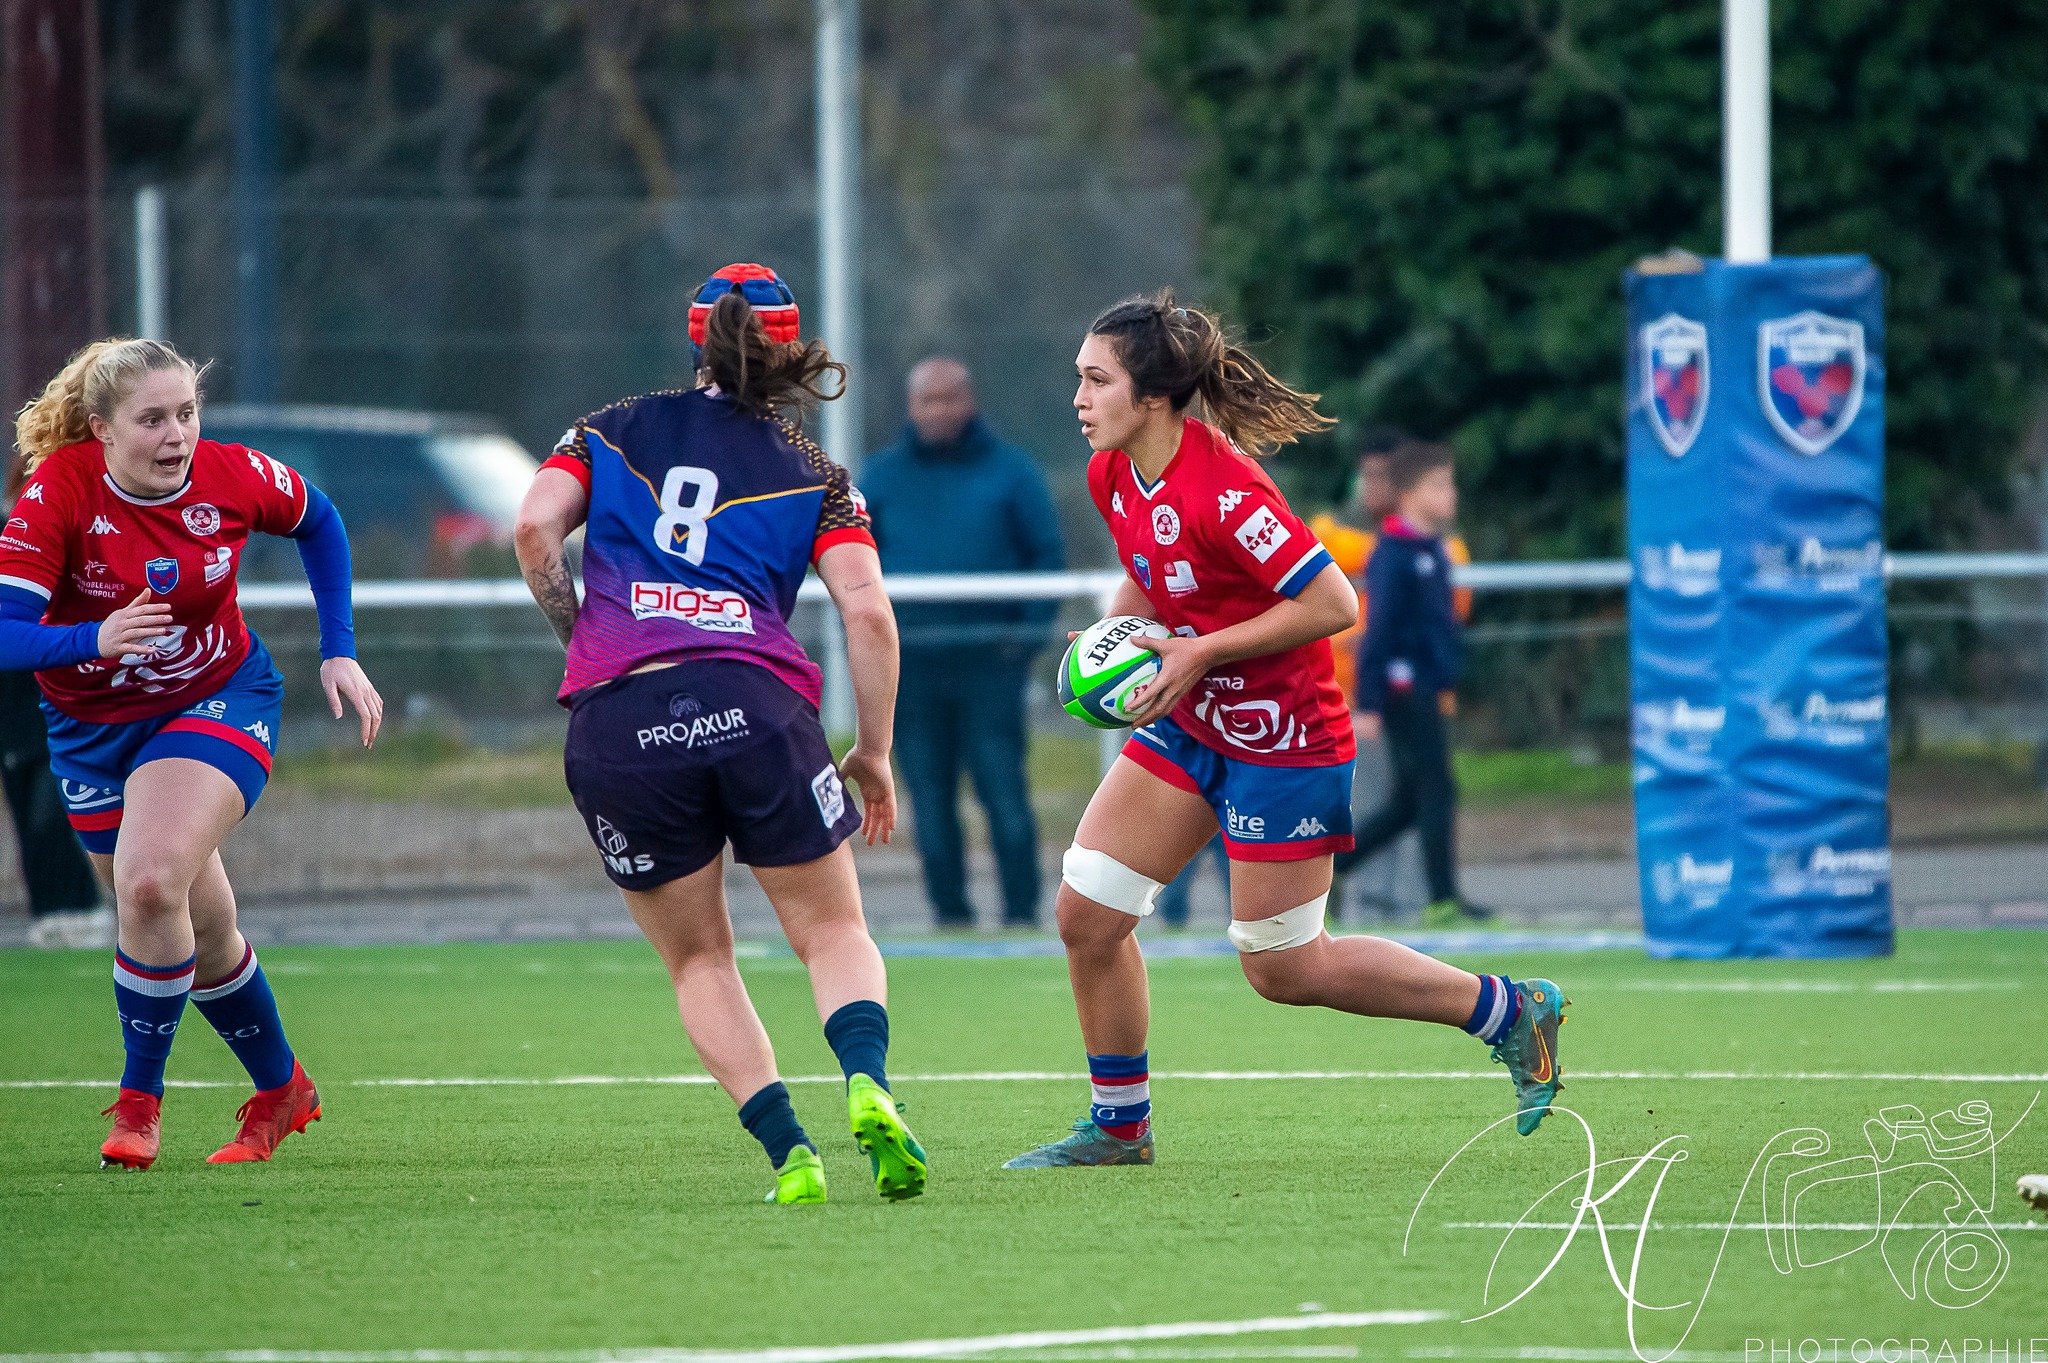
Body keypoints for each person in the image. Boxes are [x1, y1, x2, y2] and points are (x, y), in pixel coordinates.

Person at [1004, 293, 1566, 1169]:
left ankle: (1507, 1009)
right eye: (1078, 377)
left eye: (1094, 379)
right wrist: (1112, 646)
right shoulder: (1111, 470)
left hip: (1283, 735)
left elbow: (1334, 602)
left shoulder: (1228, 491)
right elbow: (1152, 575)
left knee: (1284, 966)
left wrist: (1199, 653)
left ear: (1152, 396)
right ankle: (1120, 1126)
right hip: (1192, 722)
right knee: (1088, 912)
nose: (1077, 397)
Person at [515, 263, 927, 1206]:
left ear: (695, 340)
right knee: (831, 929)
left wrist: (586, 638)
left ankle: (791, 1152)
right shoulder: (815, 472)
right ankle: (868, 1081)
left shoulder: (609, 427)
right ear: (786, 354)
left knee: (700, 957)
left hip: (621, 718)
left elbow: (535, 530)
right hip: (756, 707)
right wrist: (873, 749)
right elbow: (869, 615)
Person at [0, 337, 383, 1170]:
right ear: (100, 429)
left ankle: (139, 1106)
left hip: (216, 698)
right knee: (195, 924)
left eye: (186, 413)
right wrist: (90, 637)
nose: (176, 434)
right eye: (152, 419)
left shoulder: (231, 474)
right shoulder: (58, 493)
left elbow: (319, 519)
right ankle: (282, 1088)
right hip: (92, 735)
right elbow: (5, 632)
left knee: (147, 878)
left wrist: (338, 646)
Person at [860, 358, 1065, 928]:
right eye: (929, 400)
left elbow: (1046, 556)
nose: (940, 410)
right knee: (929, 800)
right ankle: (950, 916)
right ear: (912, 406)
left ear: (970, 402)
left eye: (951, 398)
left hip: (990, 666)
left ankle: (1022, 916)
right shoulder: (881, 477)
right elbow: (852, 560)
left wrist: (1022, 640)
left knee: (1004, 793)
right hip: (913, 669)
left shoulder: (1012, 472)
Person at [1311, 432, 1476, 922]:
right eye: (1440, 486)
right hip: (1405, 690)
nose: (1451, 496)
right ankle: (1443, 898)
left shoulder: (1436, 550)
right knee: (1437, 791)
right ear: (1410, 495)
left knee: (1410, 799)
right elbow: (1378, 632)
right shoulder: (1393, 553)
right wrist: (1369, 703)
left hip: (1426, 687)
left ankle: (1334, 868)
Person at [3, 449, 108, 947]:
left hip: (58, 707)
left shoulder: (72, 540)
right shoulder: (13, 538)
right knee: (27, 817)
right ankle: (50, 919)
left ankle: (82, 914)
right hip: (10, 712)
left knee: (53, 812)